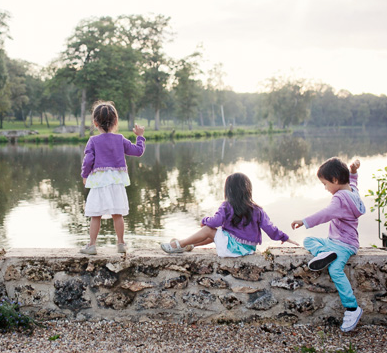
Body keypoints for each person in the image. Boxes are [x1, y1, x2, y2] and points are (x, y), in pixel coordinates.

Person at [291, 158, 366, 332]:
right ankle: (324, 253)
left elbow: (326, 214)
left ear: (334, 180)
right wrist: (353, 172)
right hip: (336, 241)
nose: (325, 188)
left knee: (335, 270)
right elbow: (353, 182)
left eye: (325, 184)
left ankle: (352, 308)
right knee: (308, 240)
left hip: (344, 245)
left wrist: (304, 221)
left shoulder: (340, 199)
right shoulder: (353, 192)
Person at [161, 172, 298, 256]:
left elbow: (214, 222)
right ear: (248, 190)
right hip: (248, 248)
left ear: (229, 190)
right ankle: (191, 246)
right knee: (221, 232)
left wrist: (205, 220)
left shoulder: (227, 206)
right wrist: (284, 237)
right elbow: (270, 228)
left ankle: (179, 244)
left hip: (233, 249)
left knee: (208, 229)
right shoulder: (257, 209)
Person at [80, 101, 145, 255]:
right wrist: (140, 137)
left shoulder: (93, 141)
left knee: (95, 215)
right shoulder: (120, 139)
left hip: (99, 182)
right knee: (117, 214)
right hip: (116, 181)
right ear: (115, 121)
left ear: (95, 122)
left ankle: (92, 245)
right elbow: (137, 151)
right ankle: (121, 243)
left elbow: (88, 161)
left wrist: (84, 175)